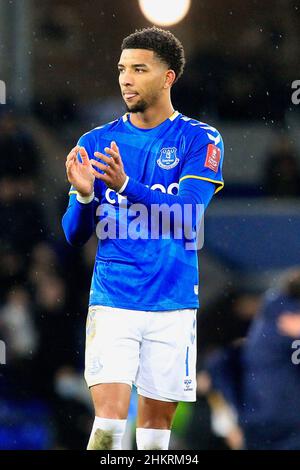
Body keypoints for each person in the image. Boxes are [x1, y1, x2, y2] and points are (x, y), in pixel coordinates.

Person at [62, 26, 224, 450]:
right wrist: (83, 195)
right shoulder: (96, 142)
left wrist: (126, 184)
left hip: (172, 302)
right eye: (121, 69)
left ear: (168, 77)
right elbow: (74, 235)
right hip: (114, 297)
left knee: (154, 440)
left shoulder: (200, 139)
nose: (126, 79)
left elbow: (188, 217)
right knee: (110, 427)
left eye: (139, 69)